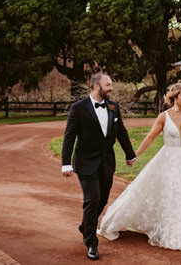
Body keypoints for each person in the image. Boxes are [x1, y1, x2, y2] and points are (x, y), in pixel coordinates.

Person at [98, 82, 181, 250]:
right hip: (168, 159)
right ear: (174, 97)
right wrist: (134, 155)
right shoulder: (164, 117)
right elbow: (150, 137)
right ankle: (121, 222)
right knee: (168, 194)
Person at [62, 72, 136, 261]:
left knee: (102, 200)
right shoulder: (78, 109)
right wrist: (65, 163)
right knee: (92, 199)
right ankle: (91, 242)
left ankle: (85, 225)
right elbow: (69, 136)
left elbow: (121, 131)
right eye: (108, 84)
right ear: (97, 86)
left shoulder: (113, 107)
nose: (111, 88)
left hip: (106, 163)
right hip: (86, 163)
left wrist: (129, 153)